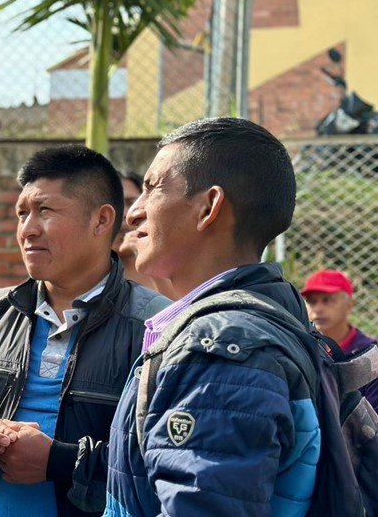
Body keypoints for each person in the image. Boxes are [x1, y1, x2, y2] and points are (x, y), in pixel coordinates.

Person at [0, 146, 170, 517]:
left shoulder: (154, 326)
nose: (28, 229)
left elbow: (165, 459)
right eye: (22, 213)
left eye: (45, 211)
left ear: (102, 220)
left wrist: (60, 462)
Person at [104, 117, 320, 515]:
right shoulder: (266, 321)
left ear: (208, 207)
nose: (133, 213)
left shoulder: (219, 351)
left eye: (151, 188)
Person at [301, 269, 378, 409]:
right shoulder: (301, 349)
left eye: (327, 300)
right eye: (312, 302)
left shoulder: (371, 354)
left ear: (349, 305)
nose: (318, 309)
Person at [113, 171, 172, 297]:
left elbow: (184, 310)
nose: (125, 214)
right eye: (114, 204)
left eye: (130, 202)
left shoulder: (175, 260)